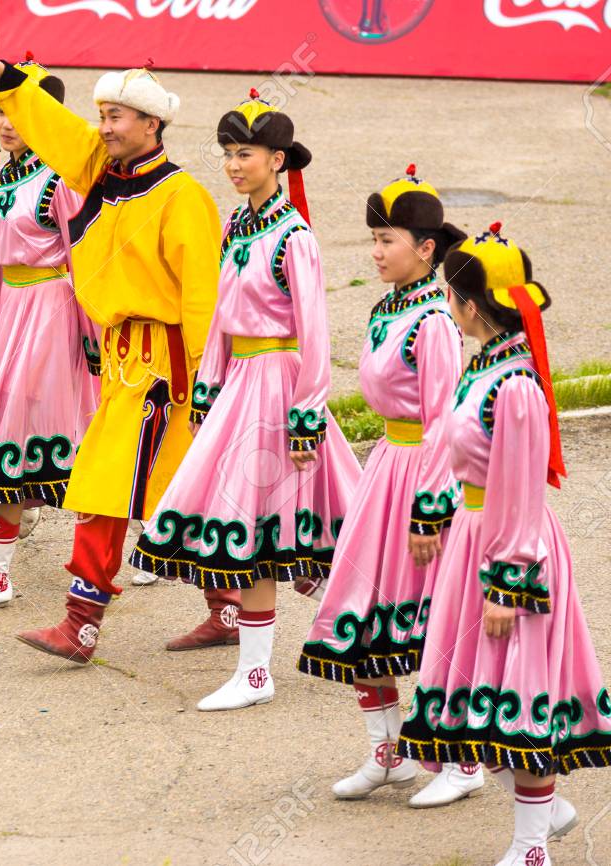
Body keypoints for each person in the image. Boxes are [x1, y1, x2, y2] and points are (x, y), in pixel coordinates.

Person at [0, 1, 236, 661]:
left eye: (115, 117)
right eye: (103, 117)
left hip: (168, 370)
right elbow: (52, 127)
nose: (104, 127)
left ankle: (89, 622)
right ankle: (222, 609)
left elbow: (205, 298)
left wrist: (204, 385)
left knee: (146, 491)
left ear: (152, 123)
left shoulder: (184, 199)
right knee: (128, 490)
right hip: (120, 362)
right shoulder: (98, 170)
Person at [397, 223, 611, 865]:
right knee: (463, 696)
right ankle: (547, 813)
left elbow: (523, 495)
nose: (447, 305)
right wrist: (437, 515)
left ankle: (532, 849)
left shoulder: (515, 387)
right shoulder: (483, 368)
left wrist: (510, 584)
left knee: (515, 697)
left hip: (508, 550)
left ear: (472, 306)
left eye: (451, 295)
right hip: (474, 539)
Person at [131, 91, 360, 710]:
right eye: (229, 153)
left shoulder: (293, 236)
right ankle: (258, 670)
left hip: (279, 387)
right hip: (239, 388)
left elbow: (315, 332)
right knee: (257, 533)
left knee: (265, 534)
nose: (234, 165)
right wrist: (208, 386)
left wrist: (307, 413)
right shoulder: (237, 225)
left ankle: (275, 666)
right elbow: (223, 319)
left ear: (278, 159)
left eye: (247, 154)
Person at [297, 166, 482, 805]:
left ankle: (462, 761)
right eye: (372, 239)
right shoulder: (390, 307)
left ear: (426, 249)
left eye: (388, 241)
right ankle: (387, 754)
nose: (375, 253)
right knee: (360, 606)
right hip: (386, 467)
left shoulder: (433, 319)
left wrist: (430, 512)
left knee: (434, 621)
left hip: (423, 480)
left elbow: (442, 420)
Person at [0, 57, 100, 614]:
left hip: (54, 314)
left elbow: (85, 264)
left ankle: (102, 565)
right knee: (6, 438)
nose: (6, 121)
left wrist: (95, 339)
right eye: (0, 109)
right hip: (12, 314)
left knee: (68, 434)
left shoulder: (61, 179)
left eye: (17, 109)